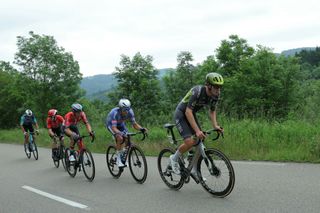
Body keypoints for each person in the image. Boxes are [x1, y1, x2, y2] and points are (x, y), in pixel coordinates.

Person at [170, 72, 224, 177]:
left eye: (220, 87)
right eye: (216, 87)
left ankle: (194, 169)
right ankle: (174, 158)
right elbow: (187, 111)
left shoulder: (215, 95)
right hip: (181, 113)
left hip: (191, 114)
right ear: (209, 86)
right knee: (190, 141)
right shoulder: (198, 91)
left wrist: (215, 125)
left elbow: (212, 111)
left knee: (200, 139)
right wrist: (197, 131)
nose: (218, 90)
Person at [105, 98, 147, 167]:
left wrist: (141, 129)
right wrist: (120, 134)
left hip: (121, 124)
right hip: (111, 125)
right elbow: (114, 128)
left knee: (127, 139)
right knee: (120, 138)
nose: (127, 111)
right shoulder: (114, 113)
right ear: (120, 108)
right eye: (125, 109)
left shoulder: (130, 112)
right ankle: (118, 159)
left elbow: (134, 124)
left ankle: (123, 157)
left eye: (128, 109)